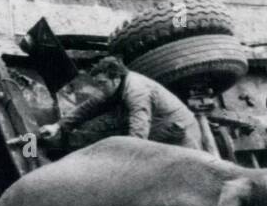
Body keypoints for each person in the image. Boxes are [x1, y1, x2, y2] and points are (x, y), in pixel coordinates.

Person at [37, 56, 203, 150]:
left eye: (102, 83)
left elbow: (138, 132)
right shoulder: (115, 85)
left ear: (115, 79)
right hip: (160, 125)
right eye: (97, 84)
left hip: (180, 133)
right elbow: (89, 107)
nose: (99, 88)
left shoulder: (136, 91)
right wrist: (58, 126)